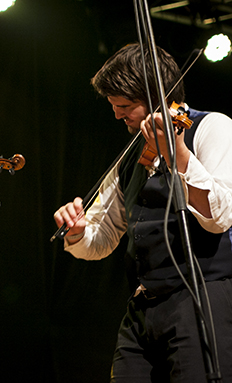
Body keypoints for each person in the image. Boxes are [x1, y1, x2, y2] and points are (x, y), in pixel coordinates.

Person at [53, 43, 232, 382]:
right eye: (113, 106)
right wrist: (78, 232)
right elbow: (102, 237)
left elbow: (220, 215)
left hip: (203, 297)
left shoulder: (212, 128)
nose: (117, 115)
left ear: (158, 97)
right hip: (144, 308)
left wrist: (178, 155)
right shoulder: (130, 158)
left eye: (124, 106)